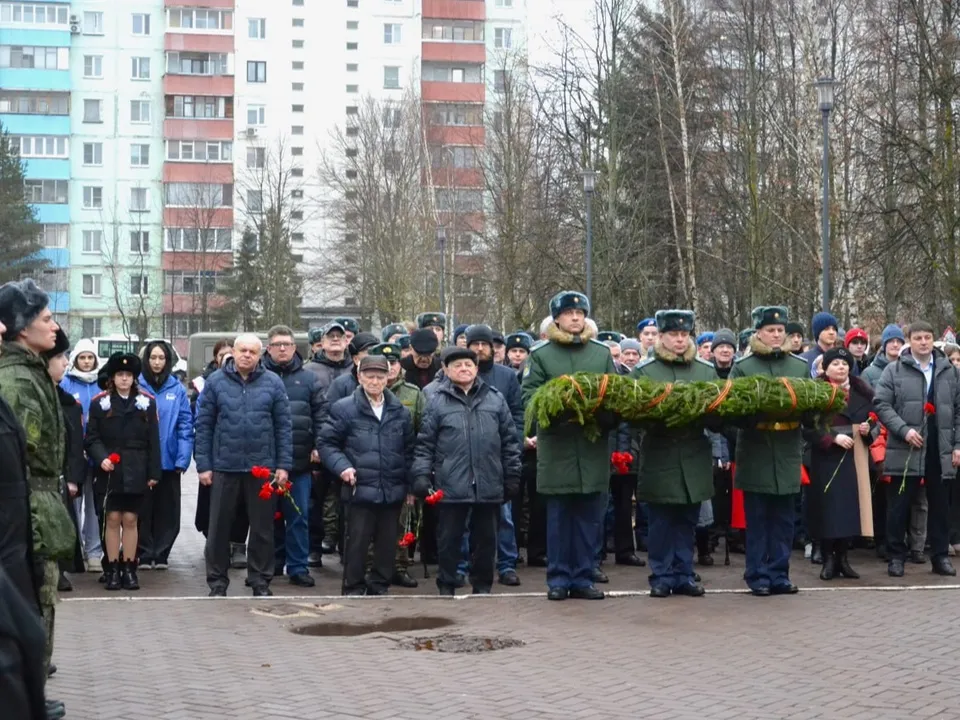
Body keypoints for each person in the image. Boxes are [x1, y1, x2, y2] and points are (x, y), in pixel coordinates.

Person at [0, 280, 74, 697]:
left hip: (39, 503)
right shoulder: (18, 380)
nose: (54, 326)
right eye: (46, 319)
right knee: (35, 602)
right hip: (29, 505)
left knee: (41, 600)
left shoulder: (32, 371)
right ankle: (29, 693)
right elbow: (18, 455)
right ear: (22, 329)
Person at [523, 291, 618, 601]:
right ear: (557, 319)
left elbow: (616, 395)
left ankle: (583, 577)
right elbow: (529, 398)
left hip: (591, 445)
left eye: (581, 313)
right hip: (558, 445)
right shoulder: (541, 354)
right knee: (560, 518)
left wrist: (604, 416)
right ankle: (559, 579)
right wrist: (559, 404)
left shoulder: (601, 353)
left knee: (589, 518)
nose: (576, 318)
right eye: (569, 313)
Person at [412, 347, 522, 595]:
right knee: (449, 539)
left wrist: (513, 475)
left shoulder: (495, 399)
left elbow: (510, 442)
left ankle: (482, 586)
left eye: (468, 365)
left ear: (476, 369)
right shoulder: (437, 401)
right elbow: (425, 444)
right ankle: (448, 585)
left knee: (486, 541)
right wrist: (420, 475)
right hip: (450, 484)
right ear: (447, 371)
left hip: (489, 482)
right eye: (457, 365)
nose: (463, 369)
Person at [195, 334, 293, 597]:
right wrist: (203, 465)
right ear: (233, 352)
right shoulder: (215, 383)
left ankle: (260, 581)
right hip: (224, 467)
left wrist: (283, 465)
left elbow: (283, 427)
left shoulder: (273, 383)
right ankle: (217, 583)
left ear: (260, 355)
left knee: (262, 530)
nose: (247, 355)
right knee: (218, 530)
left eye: (252, 351)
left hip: (262, 469)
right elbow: (203, 426)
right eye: (242, 350)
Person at [632, 310, 717, 597]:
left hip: (693, 452)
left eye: (684, 334)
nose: (679, 340)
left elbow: (719, 411)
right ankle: (661, 574)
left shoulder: (705, 370)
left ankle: (684, 573)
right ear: (662, 337)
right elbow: (632, 414)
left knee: (687, 519)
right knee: (660, 520)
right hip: (660, 452)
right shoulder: (644, 371)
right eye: (673, 335)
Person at [730, 306, 809, 596]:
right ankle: (757, 574)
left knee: (784, 519)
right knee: (758, 519)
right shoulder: (744, 367)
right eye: (770, 330)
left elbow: (808, 406)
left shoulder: (799, 366)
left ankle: (780, 573)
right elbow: (732, 410)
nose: (776, 335)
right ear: (758, 333)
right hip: (757, 448)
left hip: (787, 449)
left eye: (780, 331)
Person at [319, 355, 415, 595]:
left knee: (387, 542)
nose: (374, 381)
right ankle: (353, 587)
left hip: (392, 488)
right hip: (358, 488)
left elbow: (410, 449)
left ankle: (379, 585)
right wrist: (343, 467)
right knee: (357, 543)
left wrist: (411, 485)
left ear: (388, 378)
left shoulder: (399, 411)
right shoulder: (344, 408)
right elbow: (327, 443)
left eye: (380, 376)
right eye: (369, 376)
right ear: (359, 377)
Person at [874, 321, 960, 578]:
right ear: (909, 340)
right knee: (899, 504)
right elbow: (881, 404)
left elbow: (958, 411)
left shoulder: (949, 372)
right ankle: (896, 556)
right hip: (906, 446)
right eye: (918, 337)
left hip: (938, 446)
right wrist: (904, 430)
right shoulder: (894, 370)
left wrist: (957, 445)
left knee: (939, 505)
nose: (923, 342)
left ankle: (940, 557)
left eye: (927, 337)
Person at [85, 353, 162, 591]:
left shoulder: (147, 402)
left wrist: (153, 472)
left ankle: (129, 568)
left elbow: (153, 441)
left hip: (137, 468)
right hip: (111, 469)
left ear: (134, 378)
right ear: (113, 377)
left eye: (128, 375)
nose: (124, 380)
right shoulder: (100, 402)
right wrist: (102, 458)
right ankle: (112, 568)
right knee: (112, 518)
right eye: (120, 375)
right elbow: (92, 438)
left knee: (130, 519)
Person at [262, 325, 326, 588]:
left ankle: (298, 567)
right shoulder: (259, 377)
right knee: (266, 518)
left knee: (298, 515)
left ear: (294, 347)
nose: (282, 348)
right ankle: (270, 564)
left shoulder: (309, 379)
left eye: (286, 344)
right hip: (265, 461)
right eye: (277, 344)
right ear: (268, 348)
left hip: (299, 461)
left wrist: (318, 446)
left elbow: (322, 415)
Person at [804, 347, 874, 581]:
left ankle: (843, 558)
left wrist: (867, 429)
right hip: (827, 457)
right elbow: (808, 427)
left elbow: (873, 420)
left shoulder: (862, 393)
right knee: (828, 509)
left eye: (845, 364)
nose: (841, 368)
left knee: (849, 508)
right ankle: (828, 559)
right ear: (826, 367)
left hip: (855, 456)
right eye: (835, 364)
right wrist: (832, 437)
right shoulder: (816, 392)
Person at [137, 340, 193, 571]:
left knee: (167, 510)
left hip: (169, 460)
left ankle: (161, 552)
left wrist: (182, 458)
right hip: (142, 461)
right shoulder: (137, 385)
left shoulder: (177, 388)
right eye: (153, 358)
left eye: (162, 358)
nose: (157, 362)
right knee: (143, 508)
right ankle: (143, 551)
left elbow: (185, 425)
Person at [374, 342, 424, 588]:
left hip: (402, 465)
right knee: (370, 524)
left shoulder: (413, 393)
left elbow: (421, 433)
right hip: (371, 468)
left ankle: (399, 566)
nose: (390, 368)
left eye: (394, 362)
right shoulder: (362, 390)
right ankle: (372, 567)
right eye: (384, 364)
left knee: (402, 520)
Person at [304, 321, 352, 564]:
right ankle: (313, 547)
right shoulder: (309, 370)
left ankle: (346, 548)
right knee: (316, 500)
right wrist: (315, 444)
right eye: (330, 336)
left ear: (347, 341)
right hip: (319, 445)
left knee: (348, 501)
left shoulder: (357, 368)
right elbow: (307, 409)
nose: (335, 340)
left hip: (350, 446)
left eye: (339, 336)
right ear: (320, 342)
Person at [59, 338, 103, 573]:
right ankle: (74, 549)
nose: (86, 362)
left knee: (94, 506)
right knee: (74, 505)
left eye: (90, 358)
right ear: (75, 360)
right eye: (82, 358)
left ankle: (94, 551)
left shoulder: (102, 385)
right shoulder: (66, 383)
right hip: (73, 455)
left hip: (96, 455)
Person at [44, 331, 84, 593]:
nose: (66, 363)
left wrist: (73, 478)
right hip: (39, 480)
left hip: (61, 477)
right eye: (59, 357)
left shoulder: (70, 403)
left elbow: (75, 445)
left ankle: (59, 570)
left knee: (63, 525)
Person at [801, 312, 839, 376]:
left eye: (834, 329)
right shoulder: (804, 360)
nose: (831, 332)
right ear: (818, 332)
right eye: (826, 329)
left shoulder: (844, 358)